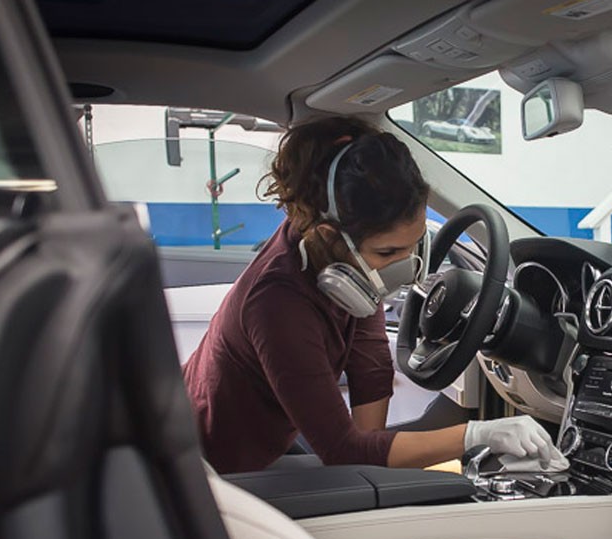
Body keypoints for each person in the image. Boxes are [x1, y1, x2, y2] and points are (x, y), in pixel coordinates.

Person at [182, 116, 564, 475]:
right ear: (330, 237)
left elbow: (371, 381)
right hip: (210, 468)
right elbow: (345, 452)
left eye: (415, 246)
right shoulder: (277, 304)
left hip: (261, 448)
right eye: (388, 253)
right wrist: (479, 435)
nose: (408, 267)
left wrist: (375, 465)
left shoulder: (346, 267)